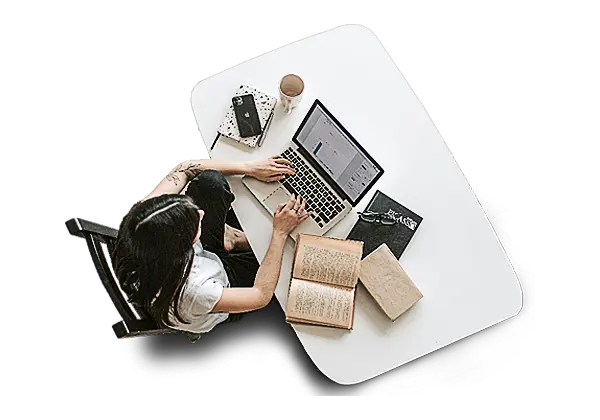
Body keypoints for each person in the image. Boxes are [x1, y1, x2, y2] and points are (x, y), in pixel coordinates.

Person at [112, 156, 312, 335]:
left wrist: (249, 167)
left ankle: (230, 239)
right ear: (182, 246)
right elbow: (260, 295)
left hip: (196, 260)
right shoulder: (196, 291)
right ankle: (231, 240)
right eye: (194, 223)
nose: (201, 213)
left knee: (210, 182)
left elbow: (185, 168)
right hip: (219, 284)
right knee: (288, 261)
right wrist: (279, 233)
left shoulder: (141, 221)